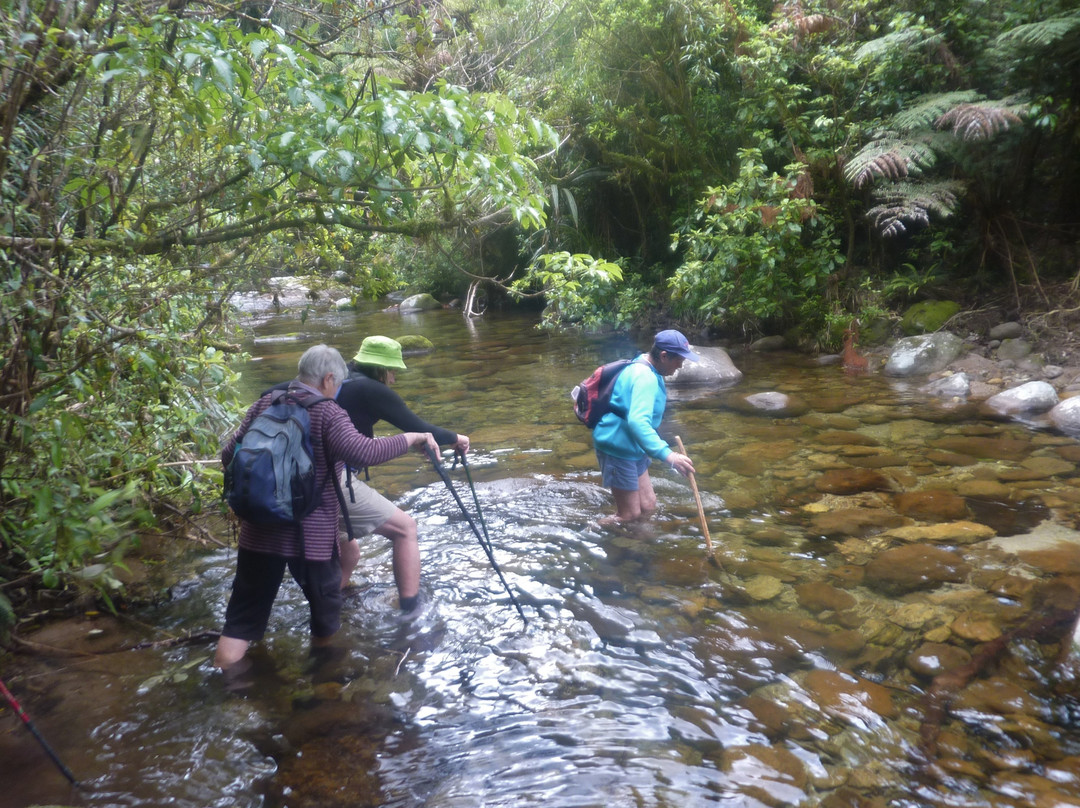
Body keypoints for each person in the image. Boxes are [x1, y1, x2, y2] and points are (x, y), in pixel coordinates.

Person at [214, 344, 437, 673]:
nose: (338, 391)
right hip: (309, 537)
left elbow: (228, 454)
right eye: (339, 384)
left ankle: (225, 689)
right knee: (325, 616)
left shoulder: (265, 401)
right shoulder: (327, 412)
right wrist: (413, 437)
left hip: (257, 532)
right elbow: (363, 452)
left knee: (241, 619)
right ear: (328, 378)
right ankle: (324, 685)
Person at [333, 335, 470, 607]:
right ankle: (410, 610)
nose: (393, 379)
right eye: (392, 371)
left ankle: (332, 602)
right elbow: (416, 425)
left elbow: (352, 439)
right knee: (405, 528)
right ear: (381, 368)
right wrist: (457, 437)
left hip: (299, 478)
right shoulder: (370, 389)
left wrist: (414, 443)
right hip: (331, 480)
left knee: (349, 553)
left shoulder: (338, 381)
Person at [592, 329, 699, 525]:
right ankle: (592, 530)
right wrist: (669, 456)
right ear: (664, 356)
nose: (681, 365)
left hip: (634, 445)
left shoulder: (644, 363)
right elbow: (638, 422)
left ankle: (642, 542)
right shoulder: (645, 377)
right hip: (617, 447)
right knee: (628, 515)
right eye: (679, 360)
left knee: (648, 505)